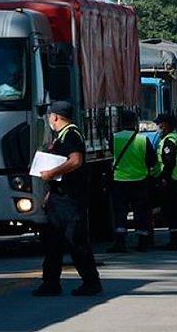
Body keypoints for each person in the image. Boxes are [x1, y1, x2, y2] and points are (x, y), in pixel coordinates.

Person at [32, 101, 102, 297]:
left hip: (71, 199)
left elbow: (76, 161)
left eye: (49, 117)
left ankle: (91, 282)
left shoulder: (71, 135)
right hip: (59, 198)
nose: (49, 120)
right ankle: (51, 283)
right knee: (52, 242)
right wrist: (49, 194)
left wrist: (51, 173)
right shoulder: (62, 136)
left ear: (54, 117)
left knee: (75, 241)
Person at [108, 110, 156, 253]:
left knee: (120, 212)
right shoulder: (143, 140)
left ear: (120, 123)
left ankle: (120, 242)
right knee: (140, 212)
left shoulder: (114, 138)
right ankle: (142, 242)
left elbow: (111, 154)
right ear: (135, 123)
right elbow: (152, 160)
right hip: (139, 181)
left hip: (120, 180)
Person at [153, 113, 177, 251]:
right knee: (174, 211)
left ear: (167, 124)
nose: (158, 126)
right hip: (175, 178)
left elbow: (169, 160)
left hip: (170, 179)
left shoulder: (170, 140)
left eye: (160, 123)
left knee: (171, 212)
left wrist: (164, 177)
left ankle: (175, 241)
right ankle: (176, 239)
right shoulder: (175, 137)